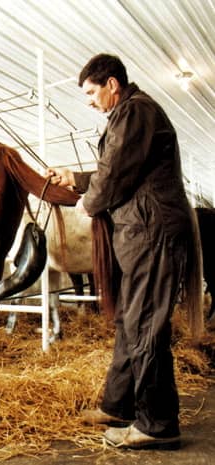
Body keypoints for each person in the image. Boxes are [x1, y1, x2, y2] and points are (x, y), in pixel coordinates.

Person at [47, 54, 199, 449]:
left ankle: (158, 424)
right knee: (130, 321)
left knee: (146, 324)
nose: (89, 101)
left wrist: (89, 202)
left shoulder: (135, 112)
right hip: (141, 233)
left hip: (153, 233)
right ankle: (119, 405)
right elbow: (118, 168)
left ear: (112, 84)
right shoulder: (130, 115)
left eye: (91, 92)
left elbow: (114, 174)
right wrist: (77, 179)